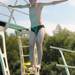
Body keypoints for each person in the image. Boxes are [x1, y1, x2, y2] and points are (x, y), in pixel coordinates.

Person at [8, 0, 68, 70]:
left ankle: (39, 64)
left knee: (39, 43)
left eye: (32, 0)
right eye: (29, 0)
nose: (30, 1)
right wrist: (12, 6)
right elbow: (20, 6)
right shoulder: (29, 6)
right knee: (31, 46)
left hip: (40, 27)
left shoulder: (40, 5)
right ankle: (31, 64)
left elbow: (53, 3)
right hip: (33, 29)